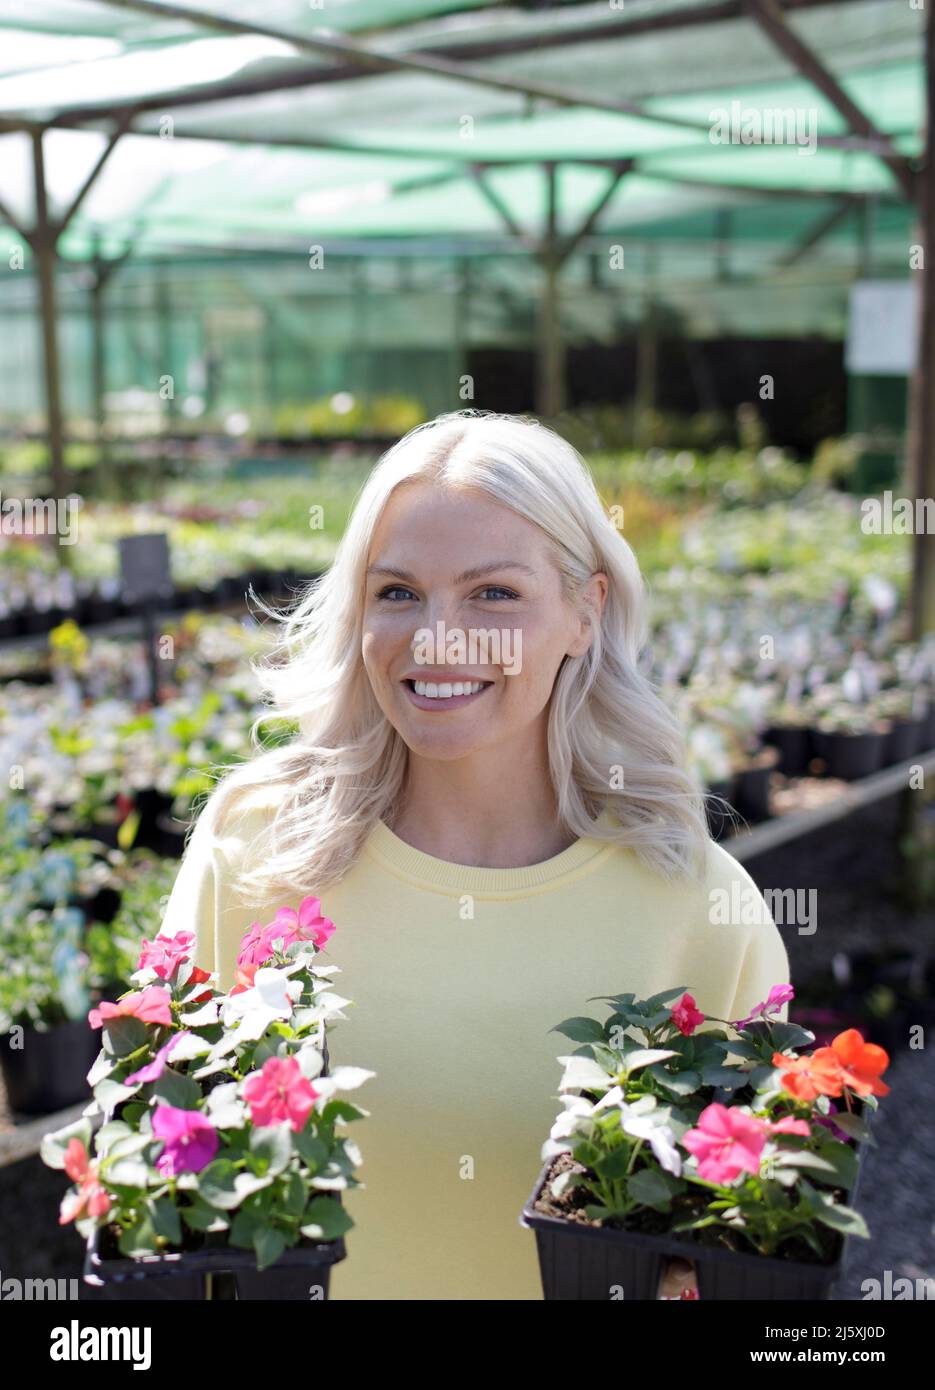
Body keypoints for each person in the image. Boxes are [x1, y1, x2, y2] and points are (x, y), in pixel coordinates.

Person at [159, 409, 790, 1300]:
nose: (438, 638)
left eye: (493, 594)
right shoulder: (257, 844)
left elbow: (762, 1238)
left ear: (585, 610)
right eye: (398, 592)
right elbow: (161, 1160)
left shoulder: (695, 903)